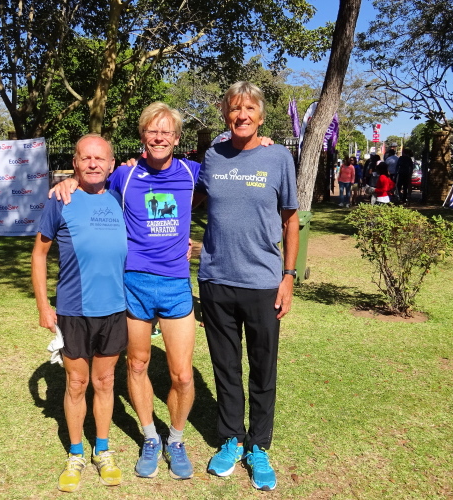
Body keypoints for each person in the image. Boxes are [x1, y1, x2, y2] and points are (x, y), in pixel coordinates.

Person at [51, 102, 203, 481]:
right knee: (136, 365)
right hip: (133, 283)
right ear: (142, 136)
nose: (159, 137)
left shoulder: (192, 171)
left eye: (166, 132)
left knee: (183, 375)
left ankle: (176, 440)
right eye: (153, 130)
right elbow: (92, 183)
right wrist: (68, 181)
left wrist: (261, 143)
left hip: (175, 285)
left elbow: (226, 190)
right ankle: (150, 437)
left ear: (177, 138)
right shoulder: (125, 174)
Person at [194, 81, 299, 491]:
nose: (242, 115)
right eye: (235, 109)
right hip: (216, 280)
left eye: (249, 109)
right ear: (225, 115)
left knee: (262, 367)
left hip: (262, 283)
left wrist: (288, 277)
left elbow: (290, 221)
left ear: (261, 115)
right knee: (225, 367)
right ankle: (231, 438)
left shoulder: (278, 157)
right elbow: (187, 195)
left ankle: (258, 445)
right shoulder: (212, 156)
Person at [31, 134, 128, 492]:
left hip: (115, 308)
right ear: (74, 163)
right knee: (76, 383)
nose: (92, 164)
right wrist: (44, 305)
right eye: (85, 158)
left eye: (100, 158)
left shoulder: (120, 197)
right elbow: (39, 254)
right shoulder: (61, 199)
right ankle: (75, 453)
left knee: (105, 382)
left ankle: (102, 449)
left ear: (112, 164)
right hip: (73, 309)